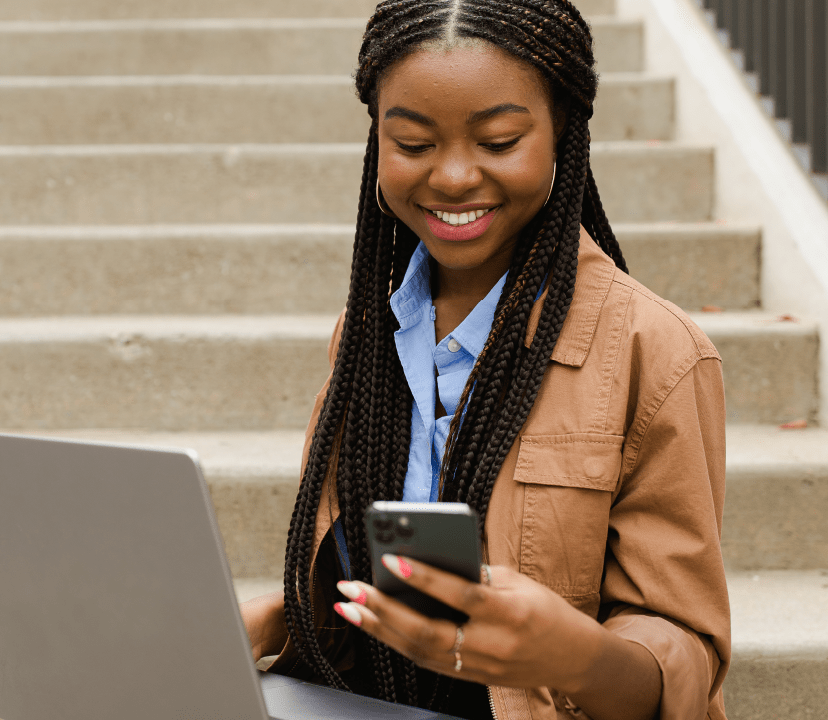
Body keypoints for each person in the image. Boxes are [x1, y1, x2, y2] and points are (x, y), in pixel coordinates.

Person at [240, 1, 730, 718]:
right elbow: (376, 589)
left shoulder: (654, 351)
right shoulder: (367, 335)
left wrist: (574, 655)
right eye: (411, 143)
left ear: (562, 129)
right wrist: (274, 617)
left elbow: (683, 664)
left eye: (499, 141)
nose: (454, 177)